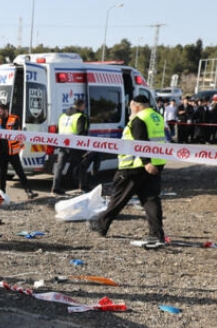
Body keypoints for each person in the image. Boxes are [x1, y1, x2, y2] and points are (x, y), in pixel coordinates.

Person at [89, 94, 168, 248]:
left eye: (131, 106)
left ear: (136, 105)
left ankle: (100, 224)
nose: (130, 109)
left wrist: (146, 162)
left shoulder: (139, 120)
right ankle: (157, 234)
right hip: (156, 164)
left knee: (119, 198)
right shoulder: (155, 116)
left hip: (135, 166)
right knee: (151, 200)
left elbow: (141, 143)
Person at [0, 103, 36, 199]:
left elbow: (15, 133)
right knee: (2, 174)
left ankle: (29, 192)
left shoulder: (15, 119)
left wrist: (1, 130)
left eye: (0, 112)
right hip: (0, 152)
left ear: (6, 110)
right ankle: (2, 194)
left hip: (12, 152)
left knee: (20, 172)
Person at [51, 98, 90, 195]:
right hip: (75, 145)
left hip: (63, 144)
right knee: (82, 164)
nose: (84, 108)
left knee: (59, 167)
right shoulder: (81, 116)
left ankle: (55, 188)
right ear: (81, 106)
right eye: (84, 106)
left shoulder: (62, 116)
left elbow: (57, 130)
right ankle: (83, 186)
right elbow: (82, 133)